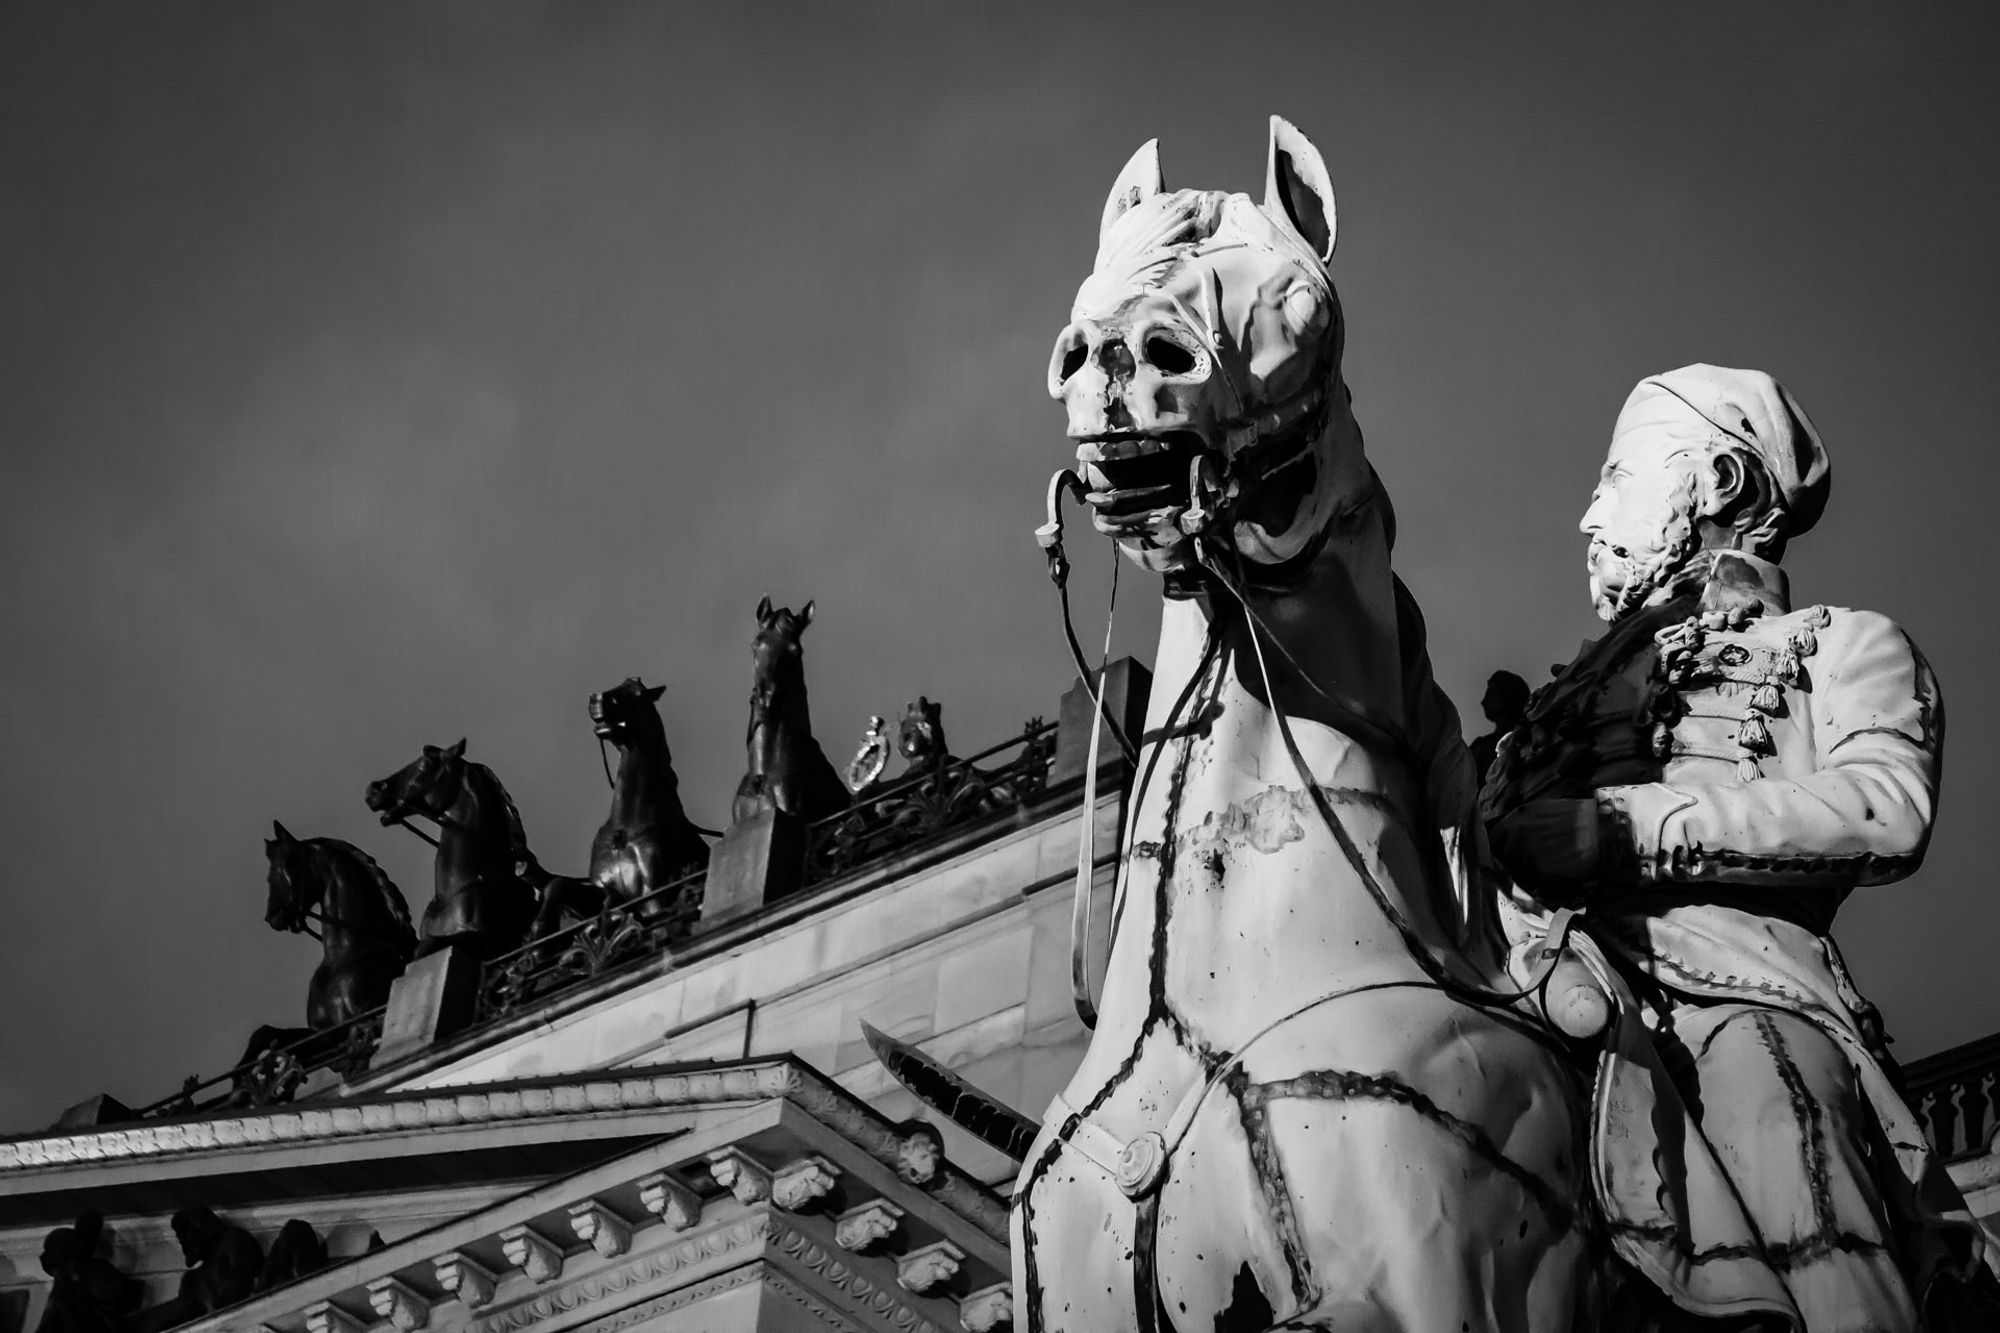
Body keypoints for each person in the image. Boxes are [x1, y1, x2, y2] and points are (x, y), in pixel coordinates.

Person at [1480, 364, 1995, 1331]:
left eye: (1618, 476)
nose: (1590, 517)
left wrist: (1628, 829)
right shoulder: (1562, 706)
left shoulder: (1844, 644)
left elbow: (1886, 806)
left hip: (1735, 988)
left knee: (1780, 1122)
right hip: (1542, 971)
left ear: (1715, 482)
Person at [1468, 669, 1529, 783]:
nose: (1483, 701)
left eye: (1490, 694)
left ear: (1507, 697)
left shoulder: (1527, 740)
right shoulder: (1479, 747)